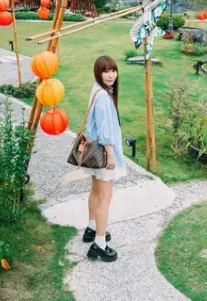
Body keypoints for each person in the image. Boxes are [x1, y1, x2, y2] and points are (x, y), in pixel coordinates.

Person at [82, 55, 126, 262]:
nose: (110, 75)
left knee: (96, 192)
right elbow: (104, 128)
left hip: (95, 151)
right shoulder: (103, 97)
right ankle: (99, 244)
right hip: (103, 153)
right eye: (105, 71)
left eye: (113, 70)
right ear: (98, 73)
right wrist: (110, 154)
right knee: (104, 198)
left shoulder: (98, 90)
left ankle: (92, 228)